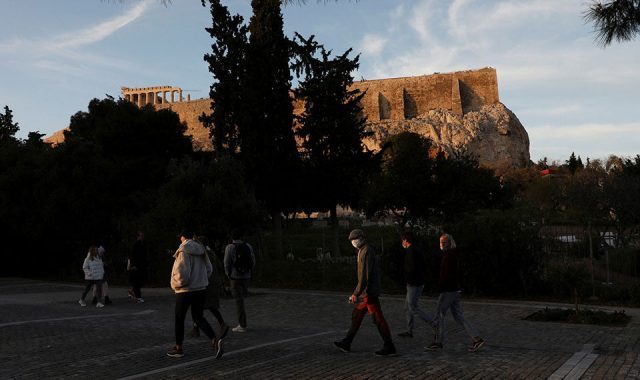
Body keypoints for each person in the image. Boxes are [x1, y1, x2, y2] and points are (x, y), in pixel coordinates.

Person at [334, 229, 396, 356]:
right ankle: (347, 342)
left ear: (361, 238)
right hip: (366, 293)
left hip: (368, 293)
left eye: (354, 239)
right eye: (351, 240)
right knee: (357, 315)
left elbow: (364, 277)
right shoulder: (362, 251)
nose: (353, 242)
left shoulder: (366, 251)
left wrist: (355, 293)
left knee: (378, 318)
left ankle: (389, 346)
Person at [167, 229, 223, 359]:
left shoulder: (183, 250)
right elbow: (209, 269)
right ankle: (214, 339)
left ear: (182, 237)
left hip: (185, 291)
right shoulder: (201, 249)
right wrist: (201, 280)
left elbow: (182, 274)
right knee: (198, 317)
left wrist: (175, 284)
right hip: (200, 289)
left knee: (179, 318)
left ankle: (179, 348)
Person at [425, 233, 485, 352]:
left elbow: (446, 275)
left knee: (439, 316)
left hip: (448, 290)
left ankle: (438, 342)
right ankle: (477, 338)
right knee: (458, 316)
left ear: (449, 243)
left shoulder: (449, 256)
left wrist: (441, 287)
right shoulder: (453, 255)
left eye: (444, 242)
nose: (442, 245)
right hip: (454, 289)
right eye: (441, 242)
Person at [190, 235, 230, 340]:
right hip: (213, 283)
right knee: (210, 306)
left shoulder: (202, 254)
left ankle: (197, 329)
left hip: (205, 284)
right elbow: (220, 267)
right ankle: (220, 324)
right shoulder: (212, 253)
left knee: (197, 307)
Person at [397, 231, 435, 338]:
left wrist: (408, 281)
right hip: (419, 282)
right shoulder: (416, 250)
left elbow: (410, 269)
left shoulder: (410, 251)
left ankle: (434, 324)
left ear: (405, 240)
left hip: (413, 283)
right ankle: (409, 331)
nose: (402, 242)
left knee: (413, 307)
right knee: (408, 307)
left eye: (402, 240)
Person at [223, 229, 255, 333]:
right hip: (246, 276)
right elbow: (253, 260)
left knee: (239, 302)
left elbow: (227, 263)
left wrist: (228, 274)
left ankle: (242, 324)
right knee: (242, 300)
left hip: (235, 277)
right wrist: (249, 272)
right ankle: (242, 322)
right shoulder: (248, 246)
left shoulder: (230, 247)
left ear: (232, 237)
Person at [128, 231, 147, 303]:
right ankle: (138, 296)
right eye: (141, 236)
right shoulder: (136, 245)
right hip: (136, 266)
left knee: (139, 281)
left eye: (143, 235)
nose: (143, 237)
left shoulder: (143, 244)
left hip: (141, 266)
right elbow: (132, 256)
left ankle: (132, 291)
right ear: (138, 236)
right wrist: (133, 265)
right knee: (137, 281)